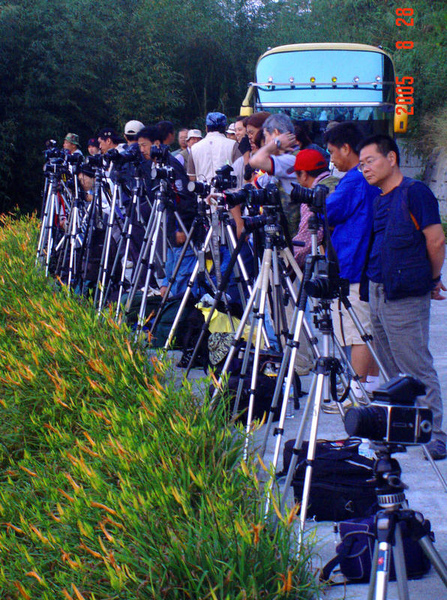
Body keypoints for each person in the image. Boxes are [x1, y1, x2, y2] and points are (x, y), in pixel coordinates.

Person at [358, 134, 446, 460]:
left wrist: (433, 280)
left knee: (415, 366)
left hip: (406, 294)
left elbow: (436, 241)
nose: (364, 168)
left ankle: (436, 435)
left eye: (370, 161)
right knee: (389, 368)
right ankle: (401, 429)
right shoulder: (380, 196)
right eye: (362, 164)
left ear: (391, 158)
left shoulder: (415, 193)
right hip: (379, 290)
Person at [324, 122, 381, 396]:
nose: (332, 159)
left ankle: (357, 393)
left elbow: (327, 212)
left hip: (352, 265)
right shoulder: (371, 176)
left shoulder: (354, 180)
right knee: (368, 332)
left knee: (357, 334)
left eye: (333, 152)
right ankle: (370, 386)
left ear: (347, 148)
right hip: (368, 264)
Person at [248, 113, 301, 239]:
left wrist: (275, 143)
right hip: (286, 233)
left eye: (266, 136)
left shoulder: (290, 159)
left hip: (292, 235)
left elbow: (255, 161)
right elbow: (259, 183)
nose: (265, 142)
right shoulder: (287, 159)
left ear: (276, 133)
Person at [290, 149, 339, 268]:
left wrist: (286, 259)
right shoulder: (340, 183)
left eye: (296, 174)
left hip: (337, 262)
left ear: (304, 174)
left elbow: (305, 243)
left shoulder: (313, 197)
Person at [187, 112, 240, 182]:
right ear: (225, 128)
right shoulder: (234, 145)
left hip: (204, 192)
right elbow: (240, 171)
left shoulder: (194, 148)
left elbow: (192, 177)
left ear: (206, 128)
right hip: (228, 191)